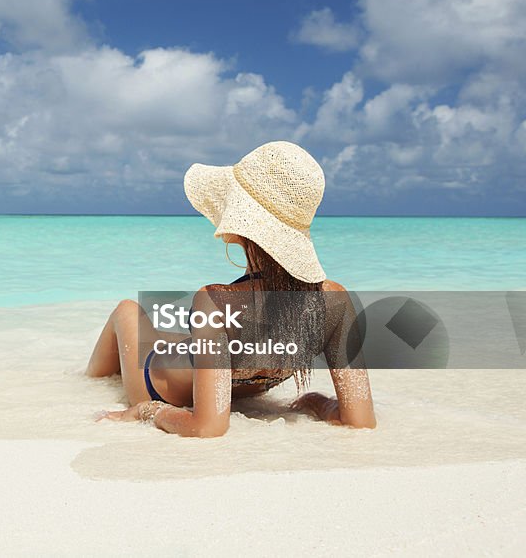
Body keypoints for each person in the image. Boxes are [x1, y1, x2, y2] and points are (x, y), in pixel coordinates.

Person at [86, 141, 377, 437]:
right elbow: (361, 421)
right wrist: (316, 402)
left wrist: (146, 410)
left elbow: (208, 427)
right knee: (176, 336)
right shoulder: (335, 302)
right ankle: (90, 381)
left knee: (127, 310)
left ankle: (84, 384)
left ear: (241, 225)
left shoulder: (215, 301)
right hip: (225, 380)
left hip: (154, 388)